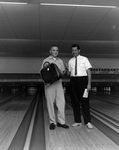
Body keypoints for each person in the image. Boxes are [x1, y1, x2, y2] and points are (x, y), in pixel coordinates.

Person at [41, 45, 69, 130]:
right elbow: (43, 73)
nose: (55, 52)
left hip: (58, 84)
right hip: (49, 85)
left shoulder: (60, 61)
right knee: (50, 103)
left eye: (57, 50)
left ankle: (61, 122)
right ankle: (52, 122)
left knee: (61, 103)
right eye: (53, 50)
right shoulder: (46, 61)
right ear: (50, 51)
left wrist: (66, 69)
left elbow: (62, 73)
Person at [68, 44, 93, 129]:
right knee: (75, 102)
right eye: (72, 50)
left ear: (79, 50)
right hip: (73, 81)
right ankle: (77, 121)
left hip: (83, 81)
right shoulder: (70, 61)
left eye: (75, 50)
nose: (74, 52)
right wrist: (66, 67)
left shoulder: (84, 59)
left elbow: (88, 71)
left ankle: (88, 122)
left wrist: (89, 84)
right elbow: (69, 73)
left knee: (85, 102)